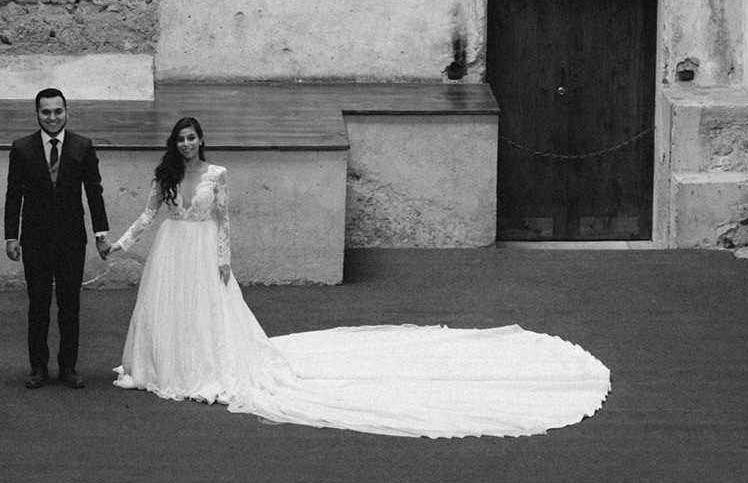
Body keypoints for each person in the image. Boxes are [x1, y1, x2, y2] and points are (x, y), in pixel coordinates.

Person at [108, 116, 612, 438]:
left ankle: (204, 365)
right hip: (172, 252)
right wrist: (121, 245)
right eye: (182, 138)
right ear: (175, 144)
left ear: (202, 141)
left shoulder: (217, 176)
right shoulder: (166, 177)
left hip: (201, 253)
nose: (189, 144)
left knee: (208, 312)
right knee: (170, 311)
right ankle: (165, 367)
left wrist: (224, 261)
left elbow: (223, 221)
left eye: (194, 137)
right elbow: (147, 216)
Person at [4, 87, 110, 389]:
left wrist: (101, 234)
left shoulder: (82, 147)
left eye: (58, 111)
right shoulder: (22, 148)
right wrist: (11, 236)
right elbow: (14, 195)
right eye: (46, 112)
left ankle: (68, 367)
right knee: (38, 305)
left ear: (67, 112)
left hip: (71, 241)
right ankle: (38, 367)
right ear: (37, 114)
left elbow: (94, 193)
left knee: (69, 305)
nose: (52, 117)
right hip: (35, 241)